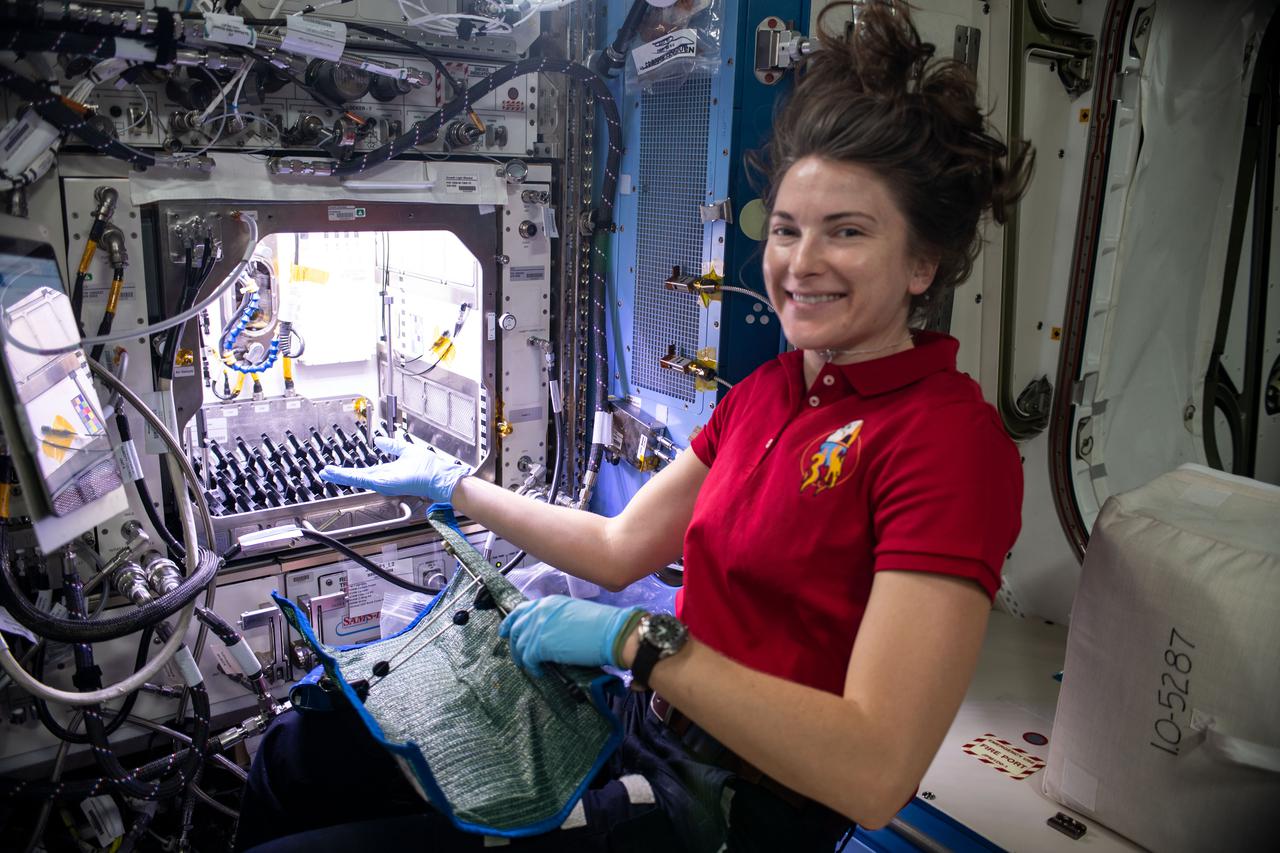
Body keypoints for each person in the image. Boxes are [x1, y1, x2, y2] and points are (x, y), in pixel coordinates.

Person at [236, 3, 1032, 850]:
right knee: (299, 751)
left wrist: (636, 638)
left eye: (848, 232)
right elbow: (620, 546)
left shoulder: (949, 445)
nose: (801, 263)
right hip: (643, 730)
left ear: (923, 262)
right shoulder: (768, 392)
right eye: (790, 229)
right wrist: (453, 484)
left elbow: (875, 772)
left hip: (729, 808)